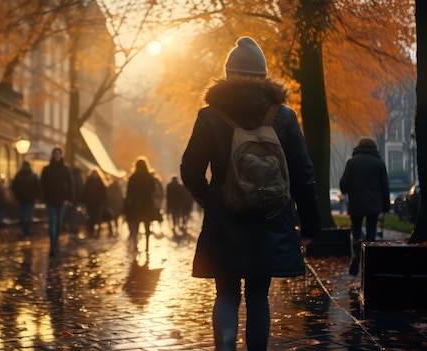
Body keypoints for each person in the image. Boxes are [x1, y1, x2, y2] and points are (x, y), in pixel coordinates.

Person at [180, 36, 320, 351]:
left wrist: (213, 201)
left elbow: (189, 170)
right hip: (270, 218)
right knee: (258, 295)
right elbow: (303, 174)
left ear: (228, 74)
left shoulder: (210, 116)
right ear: (263, 75)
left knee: (226, 293)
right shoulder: (283, 117)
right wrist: (310, 226)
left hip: (225, 221)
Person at [339, 137, 390, 276]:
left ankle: (356, 254)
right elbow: (385, 186)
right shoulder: (379, 163)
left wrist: (348, 190)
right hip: (374, 202)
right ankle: (369, 261)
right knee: (371, 231)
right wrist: (386, 205)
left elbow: (343, 183)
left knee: (356, 230)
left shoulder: (352, 162)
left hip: (356, 202)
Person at [40, 147, 74, 256]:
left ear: (61, 155)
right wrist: (43, 198)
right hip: (50, 200)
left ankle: (56, 241)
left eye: (58, 154)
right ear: (53, 155)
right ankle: (53, 244)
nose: (57, 156)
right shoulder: (47, 169)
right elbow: (42, 185)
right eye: (55, 154)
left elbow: (70, 184)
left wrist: (69, 198)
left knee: (59, 223)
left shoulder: (65, 169)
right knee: (52, 222)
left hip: (61, 199)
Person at [124, 157, 161, 247]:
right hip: (147, 204)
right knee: (147, 224)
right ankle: (147, 244)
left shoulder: (132, 178)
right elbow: (153, 190)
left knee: (136, 223)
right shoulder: (149, 177)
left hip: (135, 204)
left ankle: (135, 241)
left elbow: (129, 193)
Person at [11, 161, 41, 237]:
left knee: (23, 216)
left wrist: (16, 196)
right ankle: (26, 230)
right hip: (28, 199)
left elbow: (14, 187)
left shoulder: (18, 176)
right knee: (27, 216)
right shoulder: (33, 176)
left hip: (22, 199)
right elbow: (37, 188)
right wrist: (37, 197)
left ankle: (25, 230)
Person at [83, 169, 108, 236]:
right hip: (91, 203)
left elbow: (104, 193)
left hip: (98, 203)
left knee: (97, 217)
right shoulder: (89, 182)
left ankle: (97, 232)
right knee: (92, 217)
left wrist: (104, 202)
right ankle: (91, 231)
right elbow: (85, 192)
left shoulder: (100, 182)